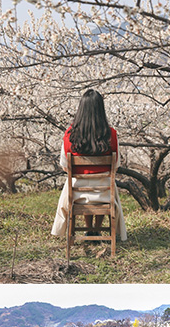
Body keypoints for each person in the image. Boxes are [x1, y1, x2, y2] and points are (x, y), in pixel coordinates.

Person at [52, 89, 127, 241]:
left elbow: (65, 165)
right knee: (102, 186)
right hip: (104, 192)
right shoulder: (111, 134)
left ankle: (90, 229)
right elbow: (116, 165)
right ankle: (97, 229)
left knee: (77, 184)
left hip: (77, 194)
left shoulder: (69, 134)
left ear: (81, 109)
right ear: (101, 109)